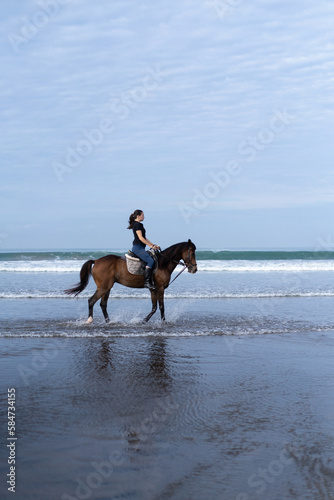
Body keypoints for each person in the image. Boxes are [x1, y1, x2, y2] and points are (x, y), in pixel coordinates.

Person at [127, 210, 161, 289]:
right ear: (138, 216)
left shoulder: (138, 224)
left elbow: (145, 238)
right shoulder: (138, 225)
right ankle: (147, 282)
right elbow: (141, 238)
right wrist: (151, 246)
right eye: (142, 215)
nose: (144, 216)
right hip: (138, 247)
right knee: (150, 261)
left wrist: (153, 245)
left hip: (140, 247)